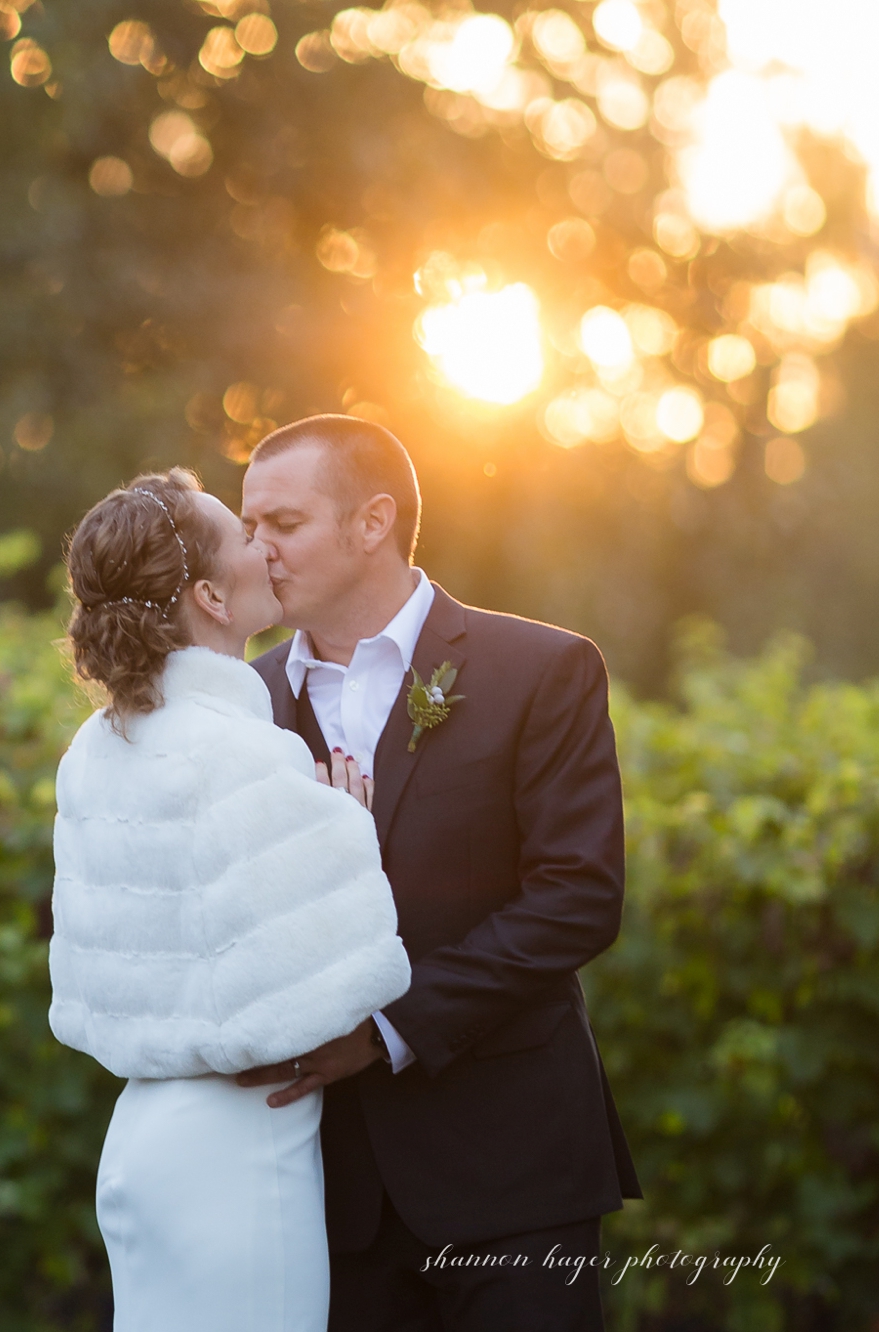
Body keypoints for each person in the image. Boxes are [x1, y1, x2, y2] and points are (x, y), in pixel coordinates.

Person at [235, 415, 643, 1330]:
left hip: (512, 1172)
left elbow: (576, 899)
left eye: (283, 524)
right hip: (324, 1188)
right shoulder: (242, 704)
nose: (256, 550)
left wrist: (386, 1030)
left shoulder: (540, 670)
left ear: (372, 521)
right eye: (249, 525)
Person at [46, 467, 411, 1332]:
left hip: (140, 1136)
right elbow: (336, 993)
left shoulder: (94, 748)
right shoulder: (242, 753)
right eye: (244, 536)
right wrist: (347, 833)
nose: (267, 546)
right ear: (210, 594)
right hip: (240, 1139)